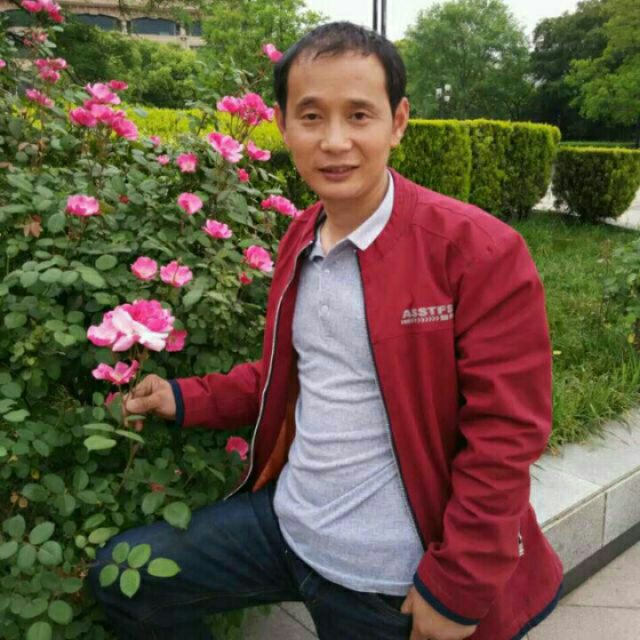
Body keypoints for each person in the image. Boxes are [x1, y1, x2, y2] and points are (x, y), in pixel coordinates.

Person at [89, 21, 563, 640]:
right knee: (123, 577)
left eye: (359, 115)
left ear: (397, 122)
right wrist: (182, 398)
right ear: (283, 126)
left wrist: (457, 587)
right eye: (311, 117)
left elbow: (506, 435)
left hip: (389, 578)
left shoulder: (476, 251)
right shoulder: (302, 236)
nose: (335, 141)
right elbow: (293, 372)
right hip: (288, 526)